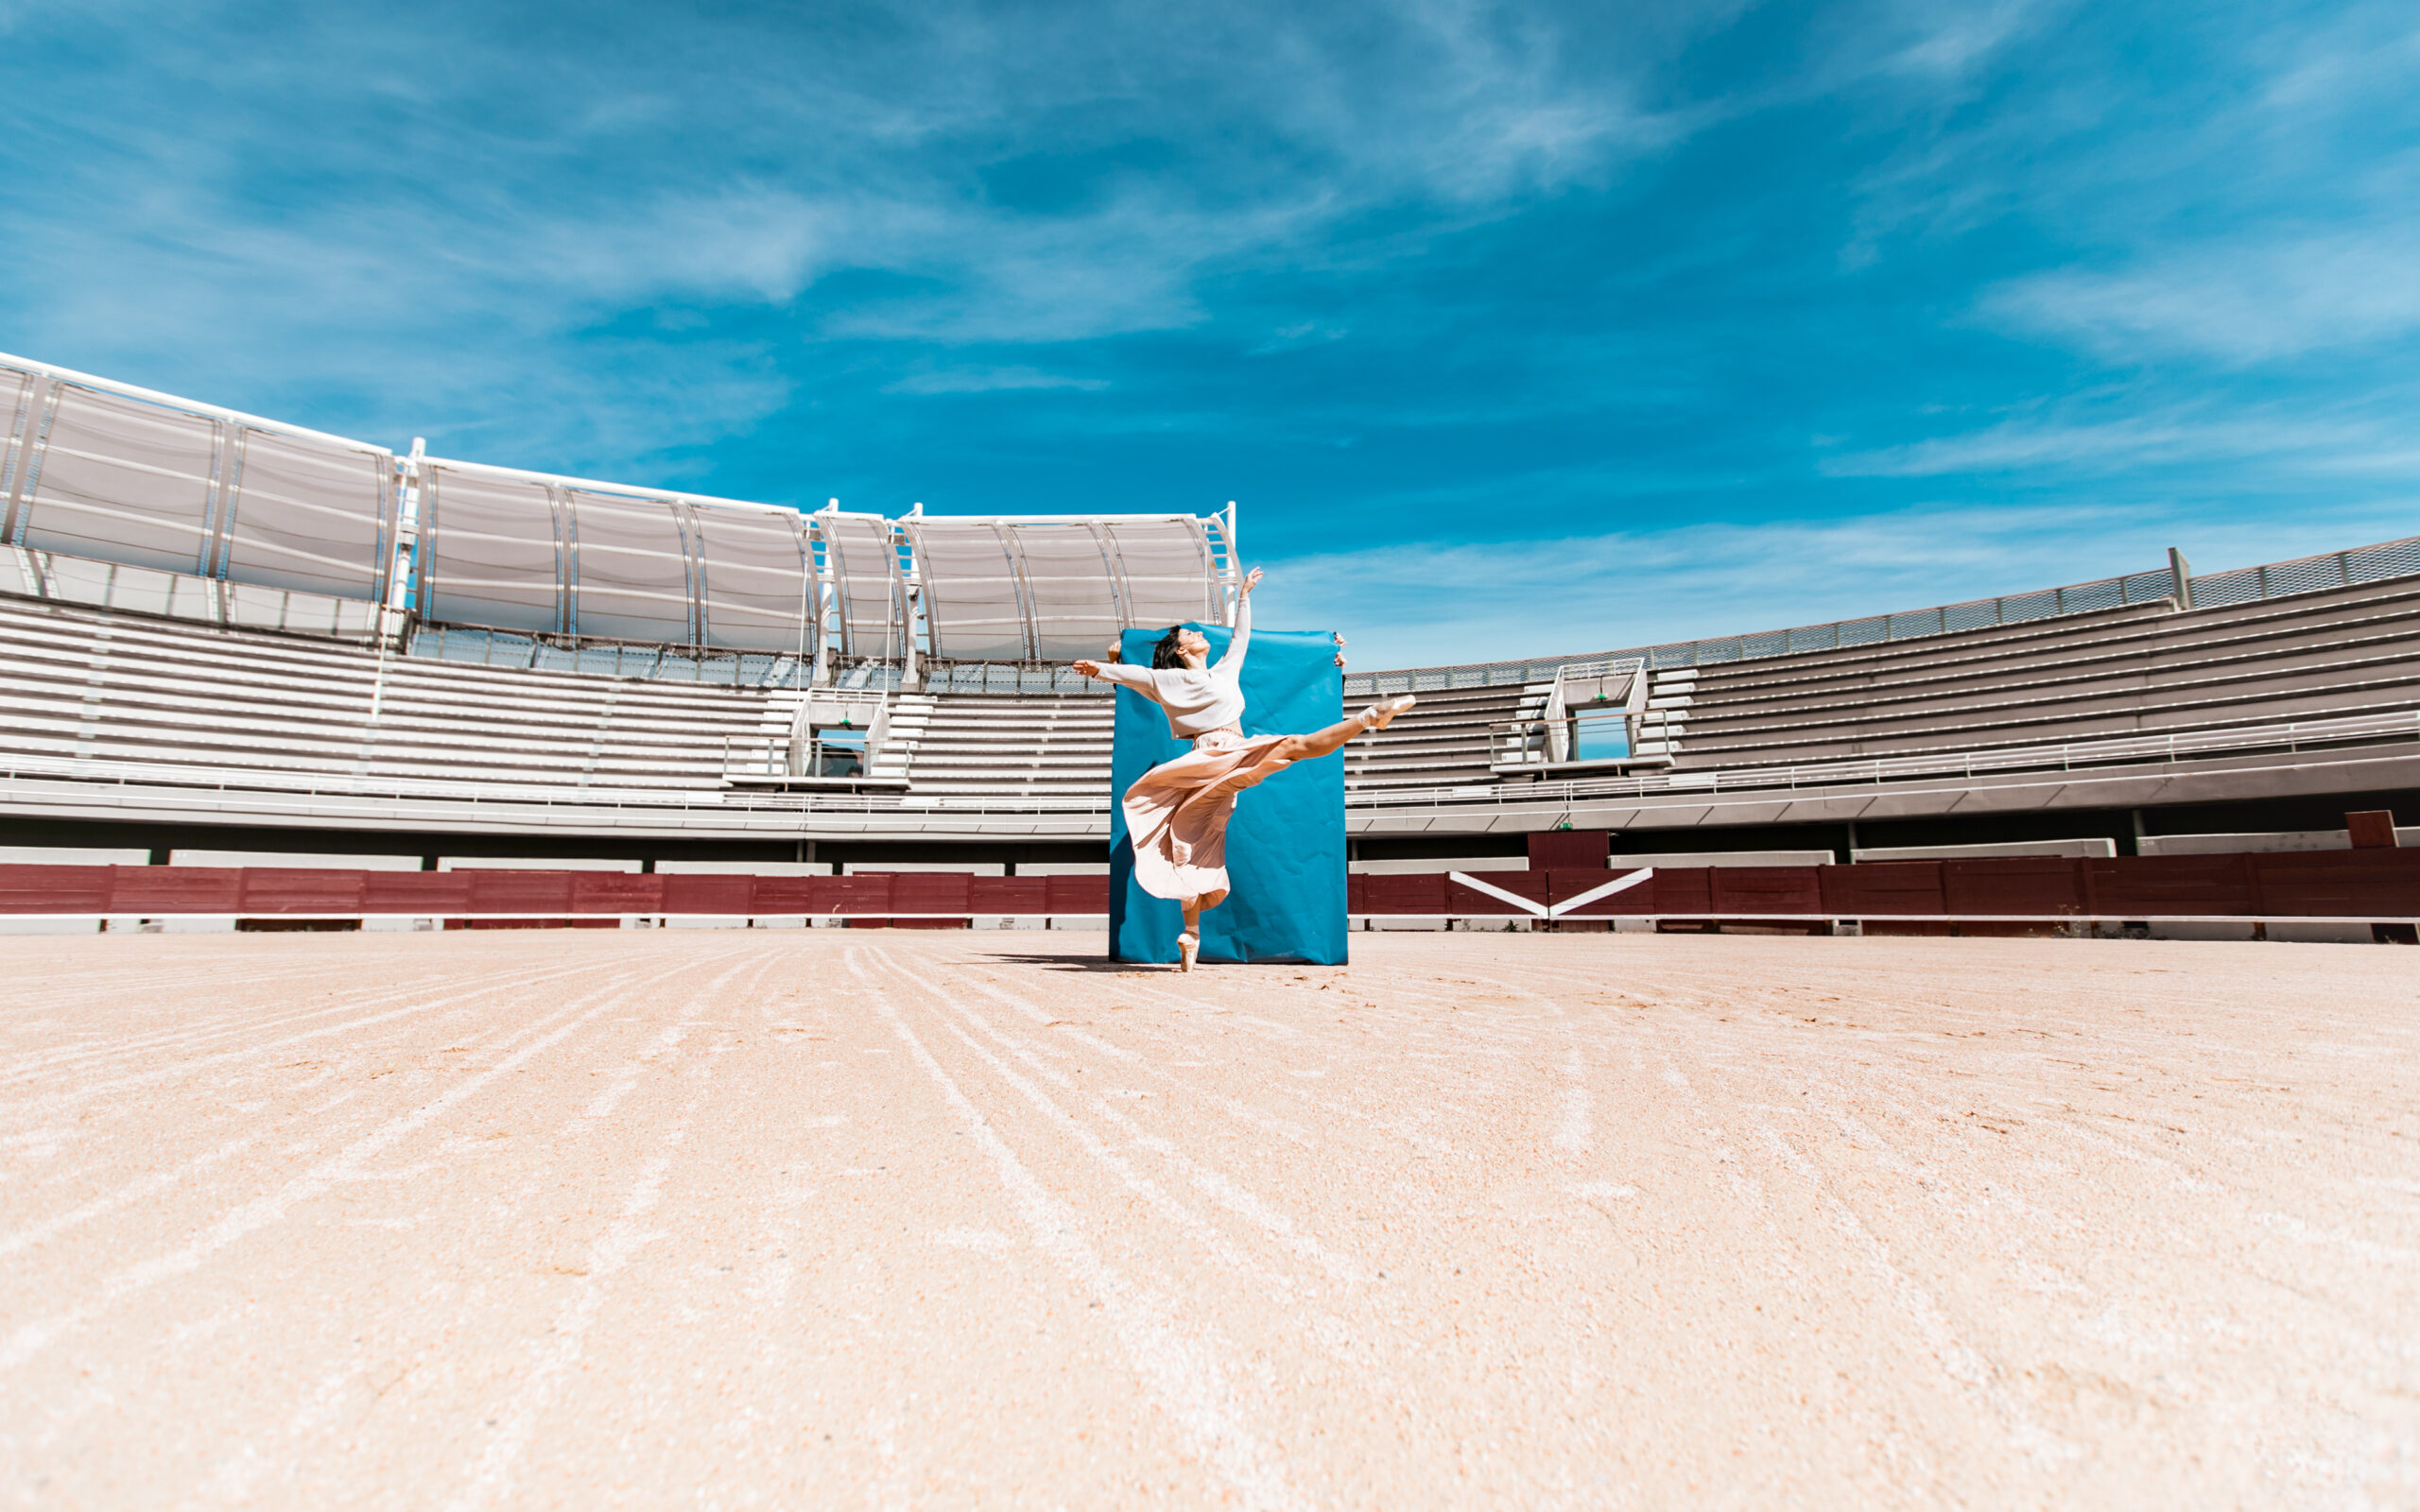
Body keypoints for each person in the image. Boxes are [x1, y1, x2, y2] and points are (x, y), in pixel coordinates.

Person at [1074, 567, 1415, 971]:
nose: (1199, 634)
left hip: (1216, 758)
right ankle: (1369, 717)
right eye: (1190, 634)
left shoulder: (1224, 669)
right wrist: (1100, 669)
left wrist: (1247, 595)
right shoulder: (1168, 680)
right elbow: (1137, 676)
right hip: (1216, 753)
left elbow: (1241, 638)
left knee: (1194, 846)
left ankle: (1191, 934)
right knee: (1292, 747)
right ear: (1182, 651)